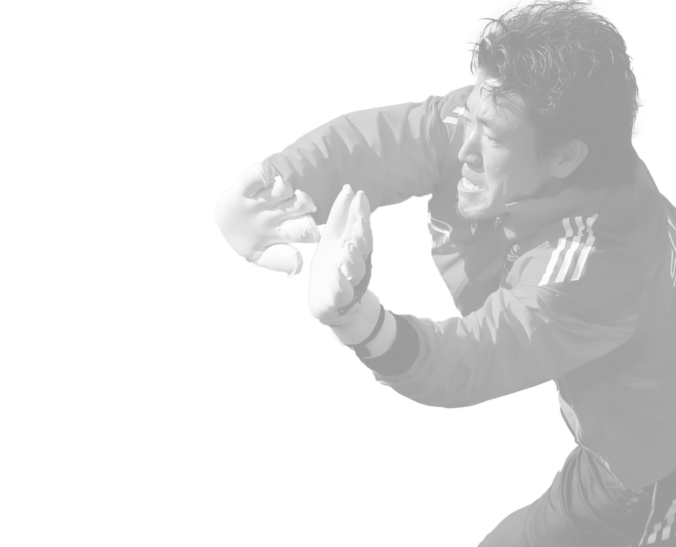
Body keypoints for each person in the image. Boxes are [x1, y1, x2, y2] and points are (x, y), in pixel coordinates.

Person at [214, 1, 675, 544]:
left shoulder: (597, 262)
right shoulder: (520, 118)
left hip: (645, 467)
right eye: (472, 117)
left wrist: (362, 322)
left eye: (492, 138)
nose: (466, 147)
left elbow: (473, 359)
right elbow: (390, 141)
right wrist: (272, 186)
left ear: (564, 157)